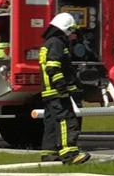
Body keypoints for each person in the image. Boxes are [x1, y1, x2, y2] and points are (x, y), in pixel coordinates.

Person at [39, 12, 92, 165]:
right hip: (57, 91)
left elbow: (61, 68)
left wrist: (75, 85)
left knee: (51, 123)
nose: (72, 34)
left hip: (49, 92)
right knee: (66, 120)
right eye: (71, 30)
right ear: (65, 29)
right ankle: (69, 155)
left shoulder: (50, 42)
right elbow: (53, 67)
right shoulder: (57, 43)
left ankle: (49, 154)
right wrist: (62, 86)